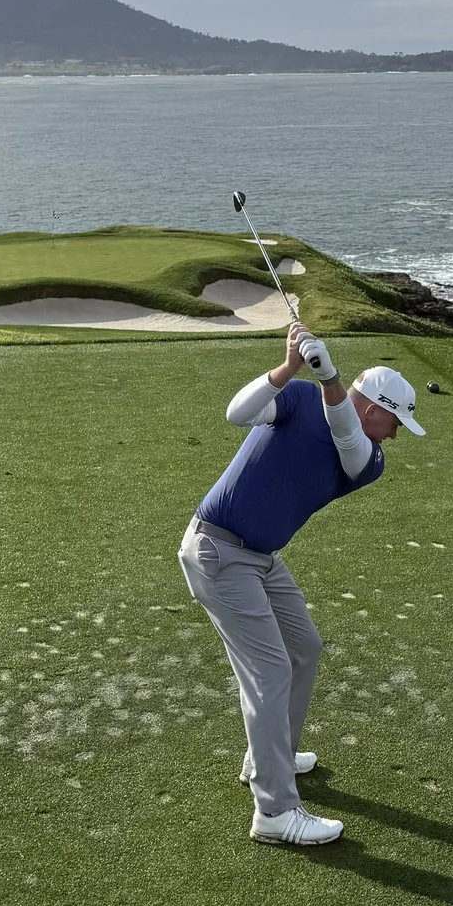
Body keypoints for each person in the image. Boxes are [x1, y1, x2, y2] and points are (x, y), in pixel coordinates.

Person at [179, 321, 423, 845]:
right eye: (395, 421)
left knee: (303, 648)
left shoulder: (367, 460)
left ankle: (273, 756)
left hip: (260, 557)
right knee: (269, 672)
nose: (395, 435)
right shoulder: (294, 400)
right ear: (374, 408)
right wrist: (290, 367)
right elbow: (235, 414)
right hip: (218, 551)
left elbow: (348, 440)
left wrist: (331, 378)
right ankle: (273, 811)